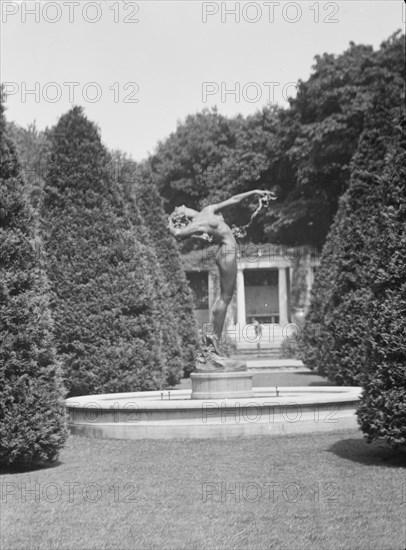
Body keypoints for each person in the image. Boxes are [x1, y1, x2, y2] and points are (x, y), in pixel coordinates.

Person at [168, 189, 275, 355]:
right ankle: (213, 338)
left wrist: (254, 192)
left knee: (223, 298)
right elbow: (178, 233)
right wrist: (170, 223)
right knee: (225, 297)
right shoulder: (199, 221)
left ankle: (213, 337)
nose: (179, 205)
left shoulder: (207, 211)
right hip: (227, 252)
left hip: (224, 250)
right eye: (177, 209)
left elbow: (234, 199)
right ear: (181, 216)